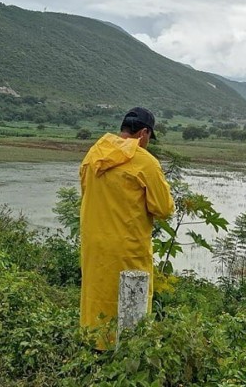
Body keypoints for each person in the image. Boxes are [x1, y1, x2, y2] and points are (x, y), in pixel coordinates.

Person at [79, 106, 174, 346]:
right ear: (143, 133)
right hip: (127, 245)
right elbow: (163, 209)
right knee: (130, 294)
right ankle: (127, 350)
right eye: (149, 137)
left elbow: (85, 190)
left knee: (97, 293)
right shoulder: (145, 162)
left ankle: (93, 342)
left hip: (94, 242)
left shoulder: (94, 155)